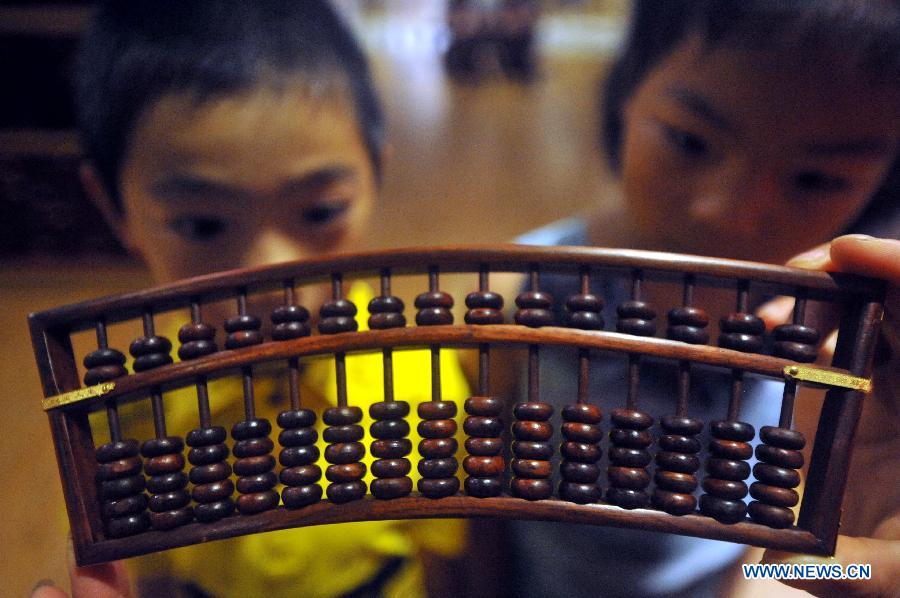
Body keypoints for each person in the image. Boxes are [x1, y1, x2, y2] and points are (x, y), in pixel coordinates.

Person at [33, 2, 471, 597]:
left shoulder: (422, 380)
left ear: (375, 174)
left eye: (320, 212)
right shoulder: (127, 417)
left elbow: (453, 562)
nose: (271, 280)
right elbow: (143, 573)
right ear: (114, 209)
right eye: (203, 225)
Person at [502, 1, 900, 596]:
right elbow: (479, 514)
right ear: (625, 89)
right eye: (691, 141)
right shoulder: (515, 294)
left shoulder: (851, 358)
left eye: (816, 179)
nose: (729, 214)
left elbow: (789, 570)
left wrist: (842, 569)